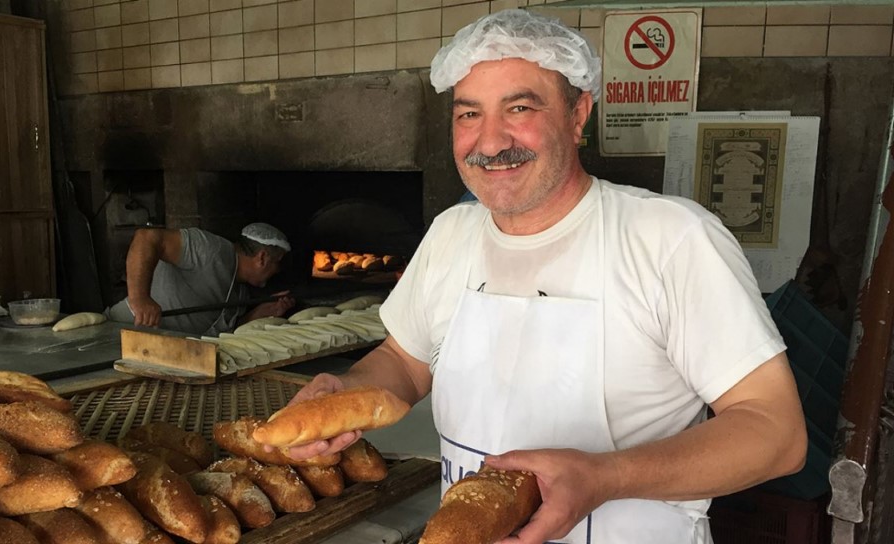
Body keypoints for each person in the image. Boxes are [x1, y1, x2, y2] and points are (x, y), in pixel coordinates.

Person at [281, 9, 806, 544]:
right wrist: (342, 390)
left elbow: (776, 431)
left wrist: (604, 477)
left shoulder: (670, 239)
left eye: (520, 107)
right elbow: (404, 363)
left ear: (579, 114)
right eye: (468, 115)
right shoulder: (451, 234)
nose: (488, 143)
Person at [106, 222, 295, 336]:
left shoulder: (239, 293)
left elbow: (223, 334)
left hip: (160, 353)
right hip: (117, 332)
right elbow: (147, 237)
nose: (277, 271)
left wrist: (261, 313)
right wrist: (140, 298)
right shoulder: (209, 250)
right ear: (262, 258)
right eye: (277, 263)